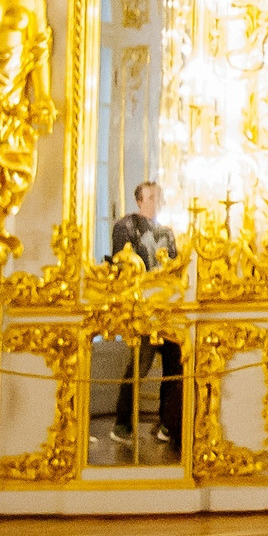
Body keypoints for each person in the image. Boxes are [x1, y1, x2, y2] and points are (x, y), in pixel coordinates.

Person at [105, 181, 183, 446]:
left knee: (175, 366)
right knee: (139, 366)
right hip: (142, 308)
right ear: (139, 201)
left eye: (158, 197)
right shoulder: (126, 227)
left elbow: (174, 267)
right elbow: (122, 266)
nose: (155, 202)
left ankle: (167, 423)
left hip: (167, 308)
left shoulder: (167, 232)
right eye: (150, 198)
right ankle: (123, 423)